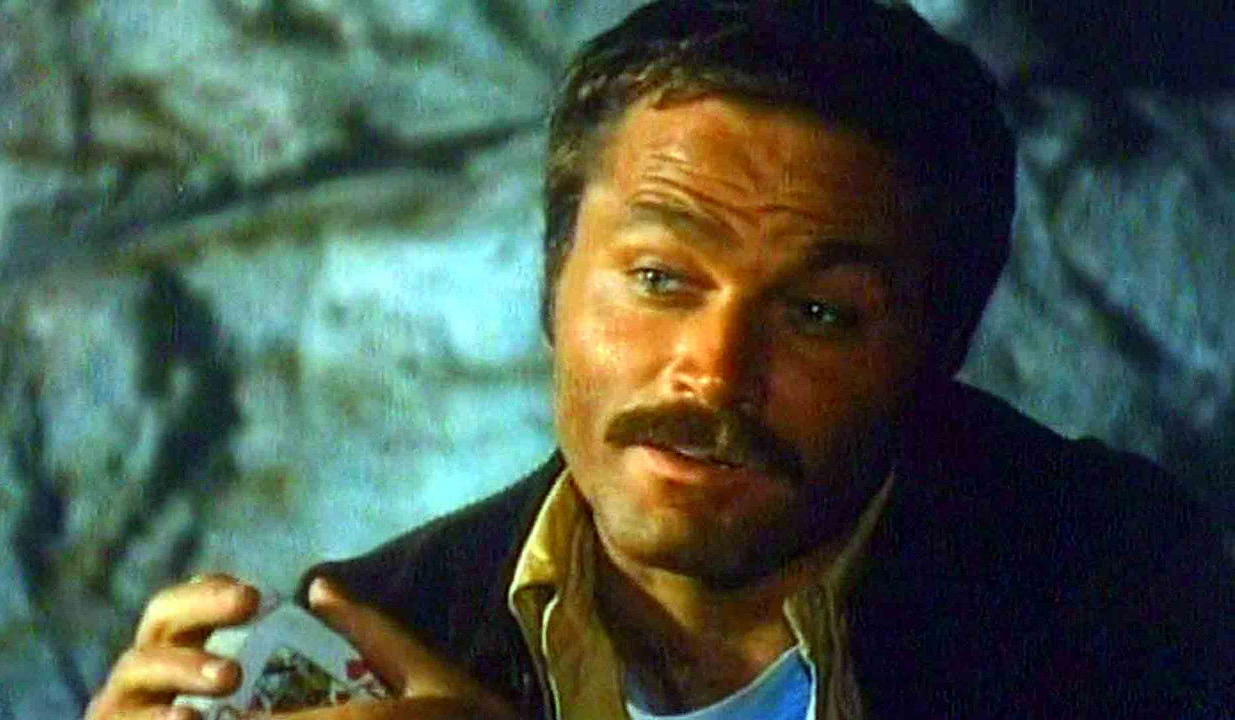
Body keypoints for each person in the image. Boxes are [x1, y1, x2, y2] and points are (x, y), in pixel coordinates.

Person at [85, 1, 1234, 719]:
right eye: (658, 279)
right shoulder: (383, 635)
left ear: (937, 348)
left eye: (817, 314)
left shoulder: (1121, 593)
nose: (712, 373)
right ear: (553, 282)